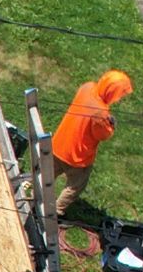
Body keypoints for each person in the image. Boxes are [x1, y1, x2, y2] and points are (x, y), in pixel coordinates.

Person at [51, 68, 133, 217]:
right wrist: (111, 125)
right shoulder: (100, 113)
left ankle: (31, 187)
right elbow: (102, 134)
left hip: (59, 144)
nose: (119, 99)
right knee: (75, 185)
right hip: (77, 156)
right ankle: (56, 210)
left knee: (48, 172)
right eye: (119, 95)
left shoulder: (87, 87)